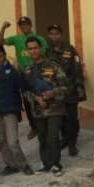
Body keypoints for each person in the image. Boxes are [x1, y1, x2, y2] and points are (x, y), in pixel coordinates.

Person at [23, 36, 69, 176]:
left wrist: (52, 93)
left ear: (40, 48)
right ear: (27, 51)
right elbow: (25, 91)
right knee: (42, 137)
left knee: (53, 137)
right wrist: (36, 98)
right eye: (30, 49)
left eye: (36, 48)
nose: (33, 51)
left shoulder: (53, 65)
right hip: (38, 110)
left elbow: (66, 86)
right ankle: (46, 164)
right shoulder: (28, 70)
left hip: (55, 108)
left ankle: (56, 164)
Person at [0, 16, 49, 138]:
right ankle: (34, 127)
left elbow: (47, 54)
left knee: (43, 98)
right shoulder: (17, 39)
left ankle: (47, 125)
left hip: (38, 73)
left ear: (30, 25)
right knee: (27, 101)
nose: (24, 27)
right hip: (23, 74)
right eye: (21, 25)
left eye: (26, 24)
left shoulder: (40, 39)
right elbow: (0, 42)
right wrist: (3, 27)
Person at [0, 45, 33, 176]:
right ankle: (11, 165)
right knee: (0, 140)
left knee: (12, 141)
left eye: (0, 56)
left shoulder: (13, 71)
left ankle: (24, 164)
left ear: (4, 55)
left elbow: (22, 88)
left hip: (10, 111)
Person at [45, 24, 85, 157]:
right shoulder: (47, 51)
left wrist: (79, 86)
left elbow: (77, 68)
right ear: (49, 36)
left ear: (61, 35)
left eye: (56, 33)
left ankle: (72, 143)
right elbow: (47, 70)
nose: (54, 36)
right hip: (56, 92)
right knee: (60, 117)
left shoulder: (70, 50)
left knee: (71, 118)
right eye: (51, 34)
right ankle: (65, 139)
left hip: (70, 89)